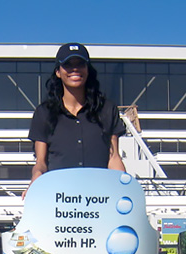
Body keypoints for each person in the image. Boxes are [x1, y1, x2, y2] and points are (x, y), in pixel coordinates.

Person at [27, 42, 126, 192]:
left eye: (80, 64)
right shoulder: (44, 112)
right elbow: (41, 162)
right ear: (58, 72)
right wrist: (37, 176)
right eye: (68, 64)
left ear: (87, 70)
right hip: (59, 198)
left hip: (100, 197)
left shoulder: (107, 109)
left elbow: (114, 158)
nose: (75, 69)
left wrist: (124, 188)